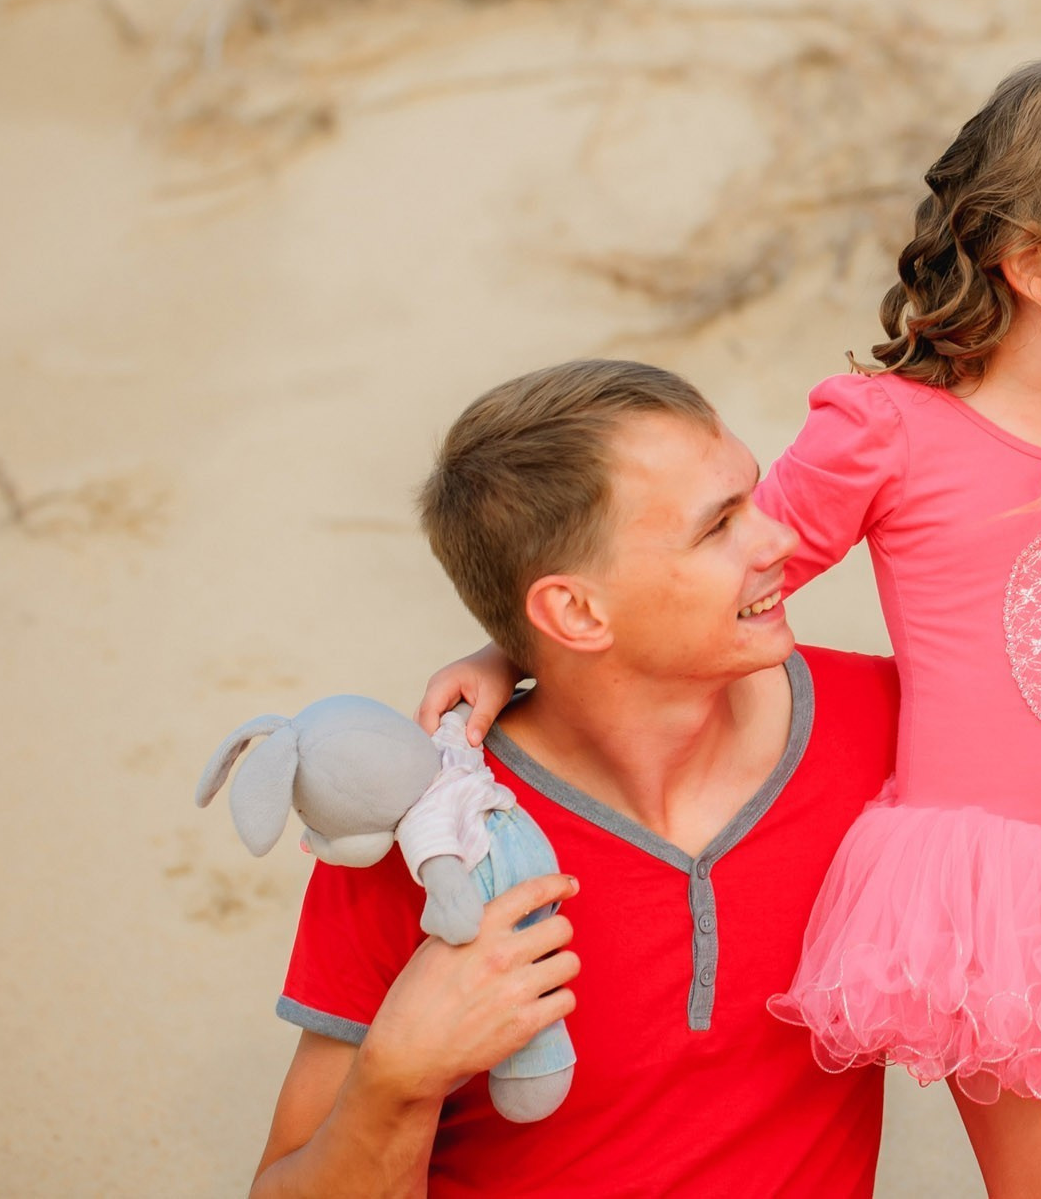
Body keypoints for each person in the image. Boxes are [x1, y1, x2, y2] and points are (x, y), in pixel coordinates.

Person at [428, 63, 1041, 1197]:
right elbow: (714, 579)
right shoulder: (889, 430)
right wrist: (509, 650)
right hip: (991, 900)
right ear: (1033, 264)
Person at [252, 361, 898, 1197]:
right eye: (718, 527)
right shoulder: (428, 841)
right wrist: (397, 1079)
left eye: (753, 496)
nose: (778, 540)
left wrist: (513, 654)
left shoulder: (885, 732)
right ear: (577, 613)